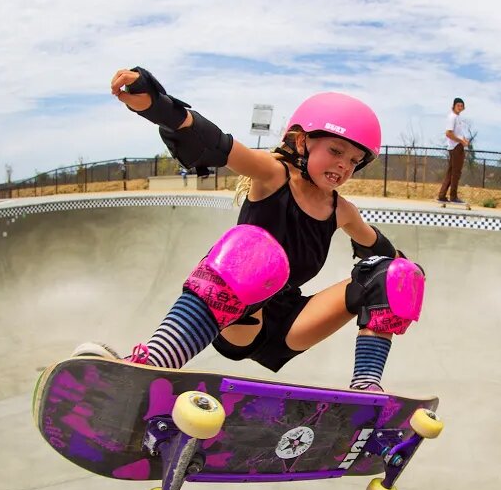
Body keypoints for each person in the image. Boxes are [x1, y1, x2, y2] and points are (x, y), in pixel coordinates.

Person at [80, 65, 427, 393]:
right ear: (302, 141)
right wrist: (157, 106)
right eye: (335, 150)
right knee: (254, 247)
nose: (343, 165)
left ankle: (367, 388)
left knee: (394, 273)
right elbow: (217, 144)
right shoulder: (273, 174)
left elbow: (381, 250)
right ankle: (154, 362)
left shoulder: (342, 211)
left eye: (354, 161)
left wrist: (406, 273)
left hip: (292, 326)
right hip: (239, 318)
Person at [436, 97, 469, 204]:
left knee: (451, 172)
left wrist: (464, 140)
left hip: (458, 146)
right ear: (453, 106)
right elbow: (448, 133)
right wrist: (460, 141)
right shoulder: (452, 117)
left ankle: (442, 195)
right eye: (458, 105)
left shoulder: (458, 118)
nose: (460, 107)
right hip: (456, 148)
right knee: (456, 173)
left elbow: (457, 133)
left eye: (461, 106)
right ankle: (453, 197)